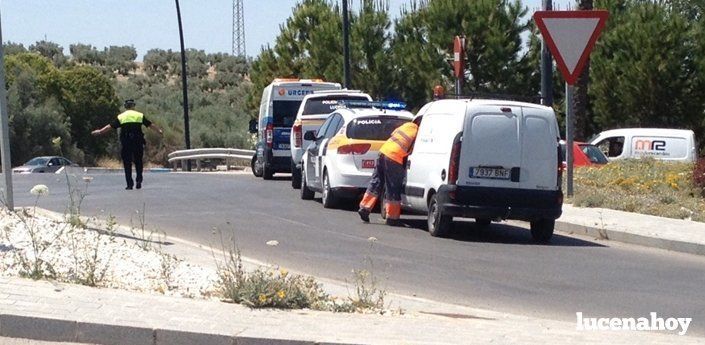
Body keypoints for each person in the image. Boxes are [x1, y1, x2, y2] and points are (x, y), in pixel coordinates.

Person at [358, 120, 419, 226]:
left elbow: (393, 135)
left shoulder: (406, 125)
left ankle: (364, 208)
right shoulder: (418, 132)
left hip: (383, 151)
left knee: (376, 181)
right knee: (393, 187)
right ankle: (392, 218)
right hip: (394, 157)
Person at [91, 99, 162, 190]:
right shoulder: (139, 115)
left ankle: (129, 184)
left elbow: (110, 126)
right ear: (133, 106)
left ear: (125, 106)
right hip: (137, 142)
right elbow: (150, 124)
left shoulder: (121, 117)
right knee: (138, 162)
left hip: (126, 143)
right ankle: (139, 180)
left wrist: (100, 131)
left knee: (127, 163)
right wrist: (159, 130)